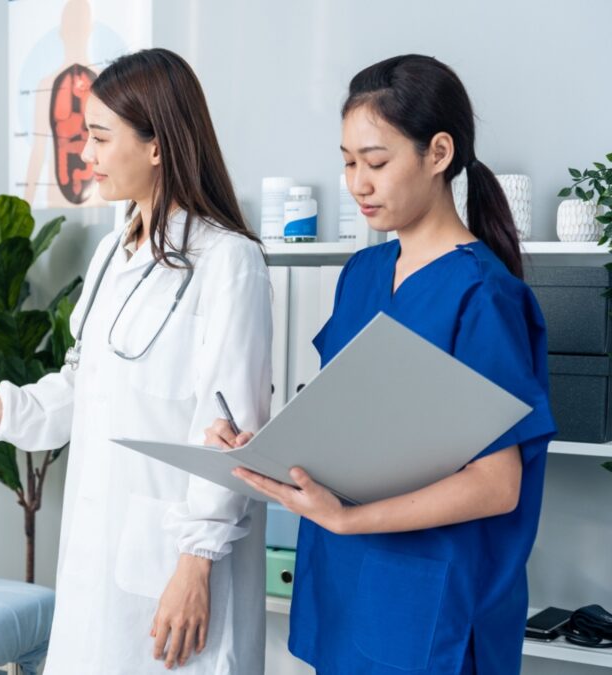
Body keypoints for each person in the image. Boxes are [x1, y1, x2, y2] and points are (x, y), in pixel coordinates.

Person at [0, 48, 271, 673]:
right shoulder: (112, 253)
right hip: (102, 548)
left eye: (99, 137)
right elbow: (85, 382)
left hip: (178, 561)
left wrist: (195, 563)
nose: (85, 156)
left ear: (158, 146)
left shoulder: (229, 261)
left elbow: (229, 433)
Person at [217, 55, 556, 674]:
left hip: (431, 601)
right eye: (348, 162)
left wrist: (352, 521)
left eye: (376, 162)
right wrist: (264, 448)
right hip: (346, 587)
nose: (357, 183)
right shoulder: (363, 274)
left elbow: (498, 484)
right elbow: (346, 427)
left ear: (439, 153)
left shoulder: (483, 294)